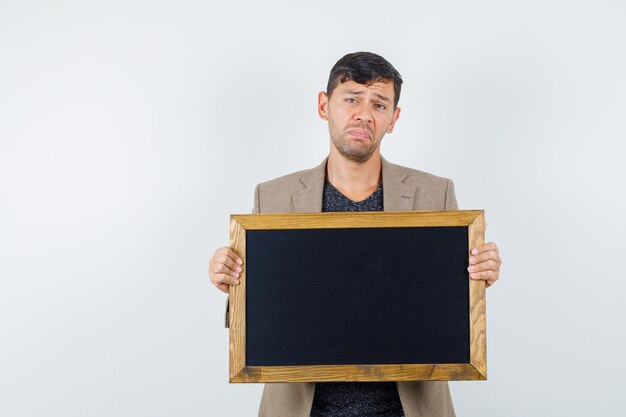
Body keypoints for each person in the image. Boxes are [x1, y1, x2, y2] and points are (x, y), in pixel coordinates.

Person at [209, 52, 502, 417]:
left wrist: (477, 276)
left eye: (379, 104)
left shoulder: (435, 193)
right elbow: (265, 312)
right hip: (305, 408)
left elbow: (445, 302)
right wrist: (232, 282)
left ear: (393, 119)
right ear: (323, 105)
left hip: (407, 407)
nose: (364, 113)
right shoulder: (273, 197)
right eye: (351, 99)